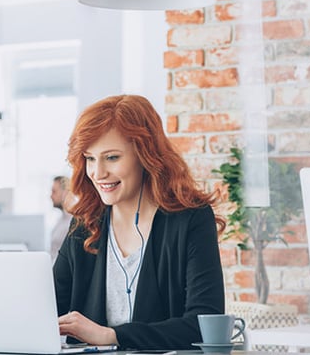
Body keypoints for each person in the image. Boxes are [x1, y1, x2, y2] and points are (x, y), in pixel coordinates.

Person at [53, 95, 226, 350]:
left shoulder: (190, 219)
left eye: (112, 157)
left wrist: (113, 336)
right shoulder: (84, 223)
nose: (98, 173)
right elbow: (47, 308)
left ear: (146, 155)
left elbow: (203, 324)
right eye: (90, 158)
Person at [49, 176, 72, 263]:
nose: (51, 196)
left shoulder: (72, 223)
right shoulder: (61, 220)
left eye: (54, 192)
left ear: (65, 193)